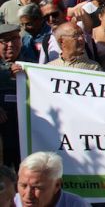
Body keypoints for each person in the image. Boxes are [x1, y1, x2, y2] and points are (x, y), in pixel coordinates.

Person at [15, 152, 90, 207]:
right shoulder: (9, 202)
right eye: (23, 185)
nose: (28, 195)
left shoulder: (77, 204)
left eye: (37, 187)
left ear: (57, 185)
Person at [0, 24, 22, 167]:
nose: (10, 44)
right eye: (4, 41)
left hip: (24, 137)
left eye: (15, 39)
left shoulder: (32, 63)